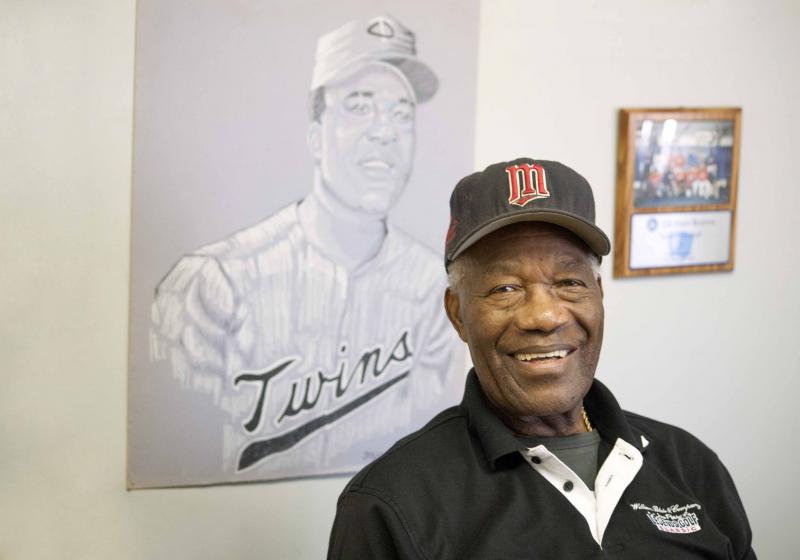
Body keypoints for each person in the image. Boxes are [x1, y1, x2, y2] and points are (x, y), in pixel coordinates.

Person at [328, 158, 755, 558]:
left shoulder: (688, 464)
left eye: (569, 281)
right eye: (505, 288)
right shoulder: (391, 503)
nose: (545, 316)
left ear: (598, 296)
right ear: (458, 314)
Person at [150, 15, 462, 481]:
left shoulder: (434, 291)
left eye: (402, 114)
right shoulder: (215, 281)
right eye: (359, 107)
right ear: (315, 137)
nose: (386, 131)